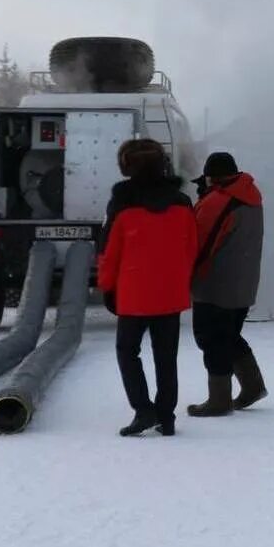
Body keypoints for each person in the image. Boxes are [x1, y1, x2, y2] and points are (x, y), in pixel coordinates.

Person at [98, 139, 198, 437]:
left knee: (127, 352)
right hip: (170, 294)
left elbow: (109, 250)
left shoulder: (122, 205)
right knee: (166, 357)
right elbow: (192, 248)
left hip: (133, 294)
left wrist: (107, 286)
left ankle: (143, 410)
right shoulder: (182, 203)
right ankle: (166, 417)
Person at [187, 151, 266, 417]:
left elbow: (198, 244)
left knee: (211, 339)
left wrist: (184, 276)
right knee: (229, 335)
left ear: (213, 178)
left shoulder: (219, 201)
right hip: (242, 283)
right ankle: (253, 386)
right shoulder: (249, 194)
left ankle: (219, 399)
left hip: (215, 285)